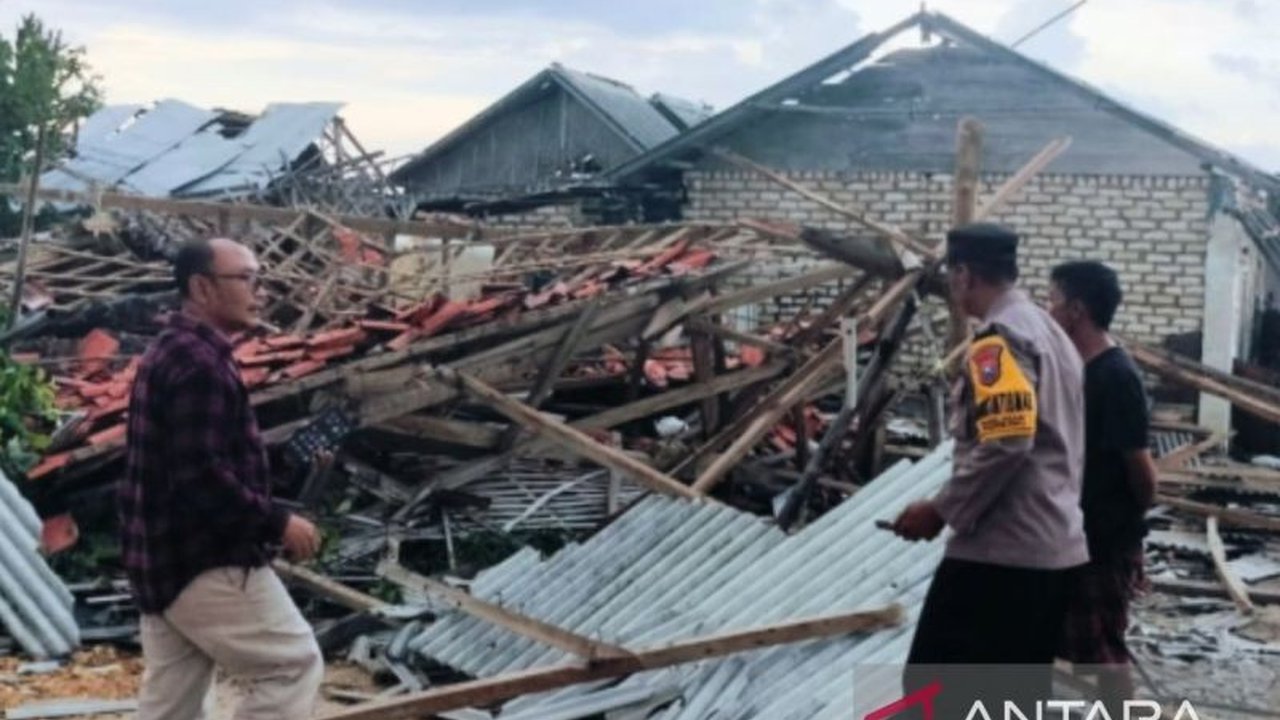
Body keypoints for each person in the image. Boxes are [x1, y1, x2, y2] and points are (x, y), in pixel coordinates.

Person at [119, 238, 324, 719]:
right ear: (202, 288)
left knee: (172, 708)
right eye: (247, 278)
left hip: (160, 561)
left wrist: (281, 462)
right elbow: (199, 477)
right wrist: (277, 523)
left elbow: (190, 457)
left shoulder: (171, 350)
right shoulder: (199, 364)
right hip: (204, 560)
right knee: (292, 666)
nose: (261, 291)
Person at [892, 223, 1089, 711]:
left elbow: (1008, 440)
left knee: (932, 692)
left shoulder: (998, 340)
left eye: (952, 277)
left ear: (963, 275)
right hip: (1051, 548)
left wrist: (940, 510)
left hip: (1003, 554)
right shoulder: (1051, 332)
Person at [1047, 260, 1157, 712]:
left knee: (1101, 653)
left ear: (1076, 310)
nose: (1046, 310)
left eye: (1052, 301)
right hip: (1070, 534)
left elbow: (1142, 474)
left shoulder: (1116, 378)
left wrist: (1127, 538)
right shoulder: (1077, 369)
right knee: (1066, 643)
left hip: (1102, 539)